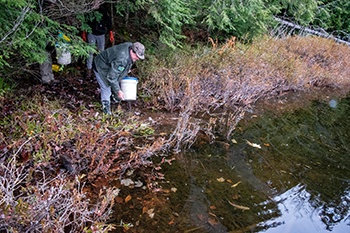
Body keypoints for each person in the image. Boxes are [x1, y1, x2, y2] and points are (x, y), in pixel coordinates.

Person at [92, 42, 145, 115]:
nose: (138, 58)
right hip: (101, 66)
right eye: (137, 56)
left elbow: (121, 66)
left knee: (115, 82)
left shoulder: (130, 46)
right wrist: (118, 91)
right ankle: (106, 111)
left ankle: (115, 101)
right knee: (106, 88)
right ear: (132, 51)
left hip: (110, 64)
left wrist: (126, 69)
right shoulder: (122, 59)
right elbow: (112, 77)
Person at [82, 0, 113, 77]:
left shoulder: (103, 11)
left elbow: (108, 21)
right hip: (91, 33)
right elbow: (85, 22)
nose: (95, 4)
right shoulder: (89, 11)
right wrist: (84, 33)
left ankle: (100, 68)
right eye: (94, 2)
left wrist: (111, 32)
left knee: (101, 52)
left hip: (101, 34)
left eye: (97, 2)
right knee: (90, 51)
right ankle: (89, 69)